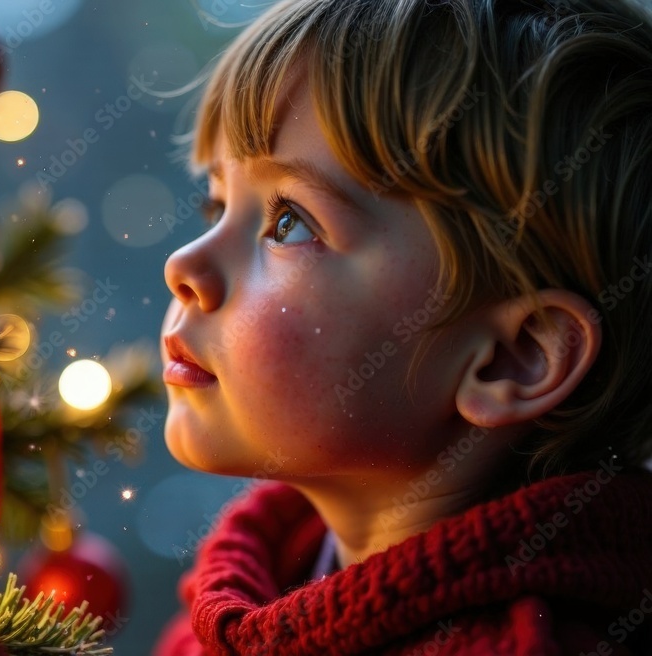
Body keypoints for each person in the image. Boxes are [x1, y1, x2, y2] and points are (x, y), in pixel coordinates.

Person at [154, 0, 652, 652]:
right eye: (217, 203)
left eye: (289, 223)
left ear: (512, 357)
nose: (183, 265)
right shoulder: (239, 598)